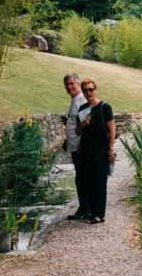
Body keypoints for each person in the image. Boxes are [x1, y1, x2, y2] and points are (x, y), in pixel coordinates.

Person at [77, 77, 116, 224]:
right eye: (85, 90)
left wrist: (110, 149)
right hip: (86, 151)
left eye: (90, 89)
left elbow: (112, 129)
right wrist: (83, 124)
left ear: (95, 89)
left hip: (101, 150)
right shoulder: (82, 109)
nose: (88, 92)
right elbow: (77, 131)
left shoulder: (105, 107)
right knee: (89, 182)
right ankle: (91, 212)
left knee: (100, 182)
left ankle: (100, 214)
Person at [63, 73, 88, 221]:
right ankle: (83, 207)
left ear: (78, 84)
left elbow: (85, 125)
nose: (69, 87)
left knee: (82, 178)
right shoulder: (74, 100)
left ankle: (85, 208)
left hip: (80, 147)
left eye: (72, 83)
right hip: (74, 146)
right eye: (67, 84)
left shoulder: (81, 101)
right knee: (80, 178)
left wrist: (81, 145)